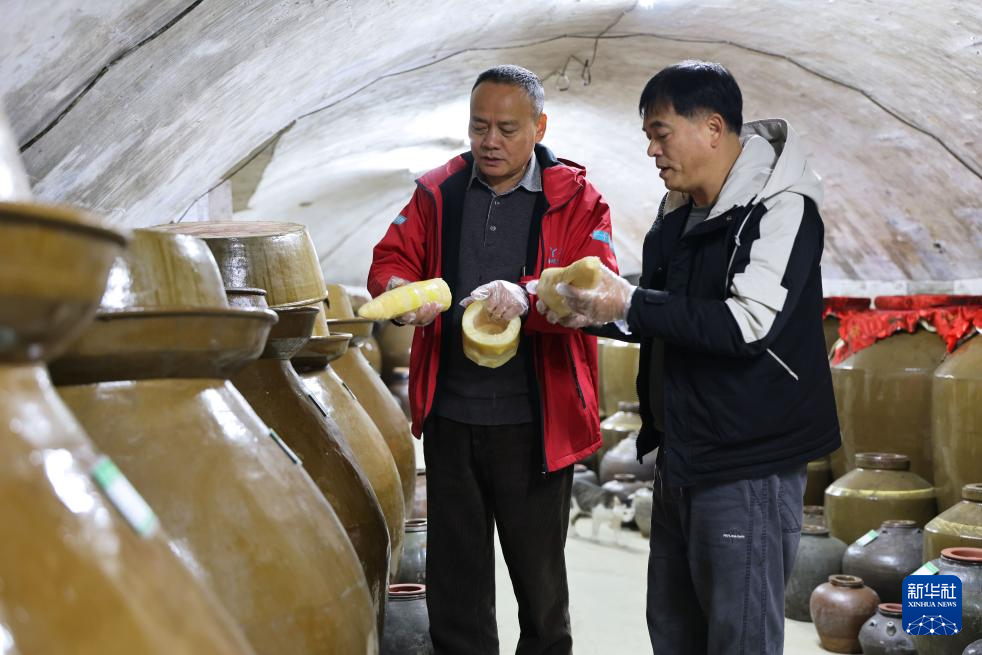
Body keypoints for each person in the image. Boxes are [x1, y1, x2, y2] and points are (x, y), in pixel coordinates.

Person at [548, 60, 840, 654]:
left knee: (739, 634)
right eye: (647, 137)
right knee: (674, 628)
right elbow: (668, 313)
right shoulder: (677, 213)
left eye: (661, 134)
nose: (651, 151)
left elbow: (747, 324)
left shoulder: (781, 208)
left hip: (747, 461)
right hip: (683, 451)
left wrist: (630, 301)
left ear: (712, 128)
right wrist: (597, 311)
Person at [367, 64, 618, 655]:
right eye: (479, 126)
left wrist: (527, 296)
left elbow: (597, 289)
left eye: (507, 129)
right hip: (452, 420)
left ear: (539, 127)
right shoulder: (438, 193)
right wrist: (404, 296)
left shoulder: (578, 200)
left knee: (541, 593)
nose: (490, 141)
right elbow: (389, 261)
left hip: (535, 424)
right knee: (456, 594)